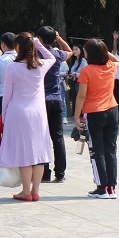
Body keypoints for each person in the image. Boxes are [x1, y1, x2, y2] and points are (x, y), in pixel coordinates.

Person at [0, 32, 58, 201]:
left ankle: (26, 191)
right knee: (39, 153)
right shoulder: (41, 65)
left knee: (24, 153)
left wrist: (4, 115)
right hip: (38, 113)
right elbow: (52, 58)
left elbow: (7, 95)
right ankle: (35, 190)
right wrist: (38, 44)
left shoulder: (13, 67)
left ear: (18, 46)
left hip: (18, 112)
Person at [74, 38, 119, 198]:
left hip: (94, 112)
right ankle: (111, 188)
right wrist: (103, 50)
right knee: (111, 150)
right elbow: (117, 60)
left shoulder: (87, 70)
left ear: (89, 53)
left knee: (96, 151)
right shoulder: (111, 66)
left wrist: (76, 116)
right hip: (112, 110)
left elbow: (81, 95)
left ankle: (102, 188)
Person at [35, 27, 70, 184]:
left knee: (41, 137)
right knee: (58, 137)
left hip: (40, 100)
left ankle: (45, 173)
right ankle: (60, 173)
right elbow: (69, 51)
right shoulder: (57, 54)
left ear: (40, 39)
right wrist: (59, 38)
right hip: (56, 98)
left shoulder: (35, 54)